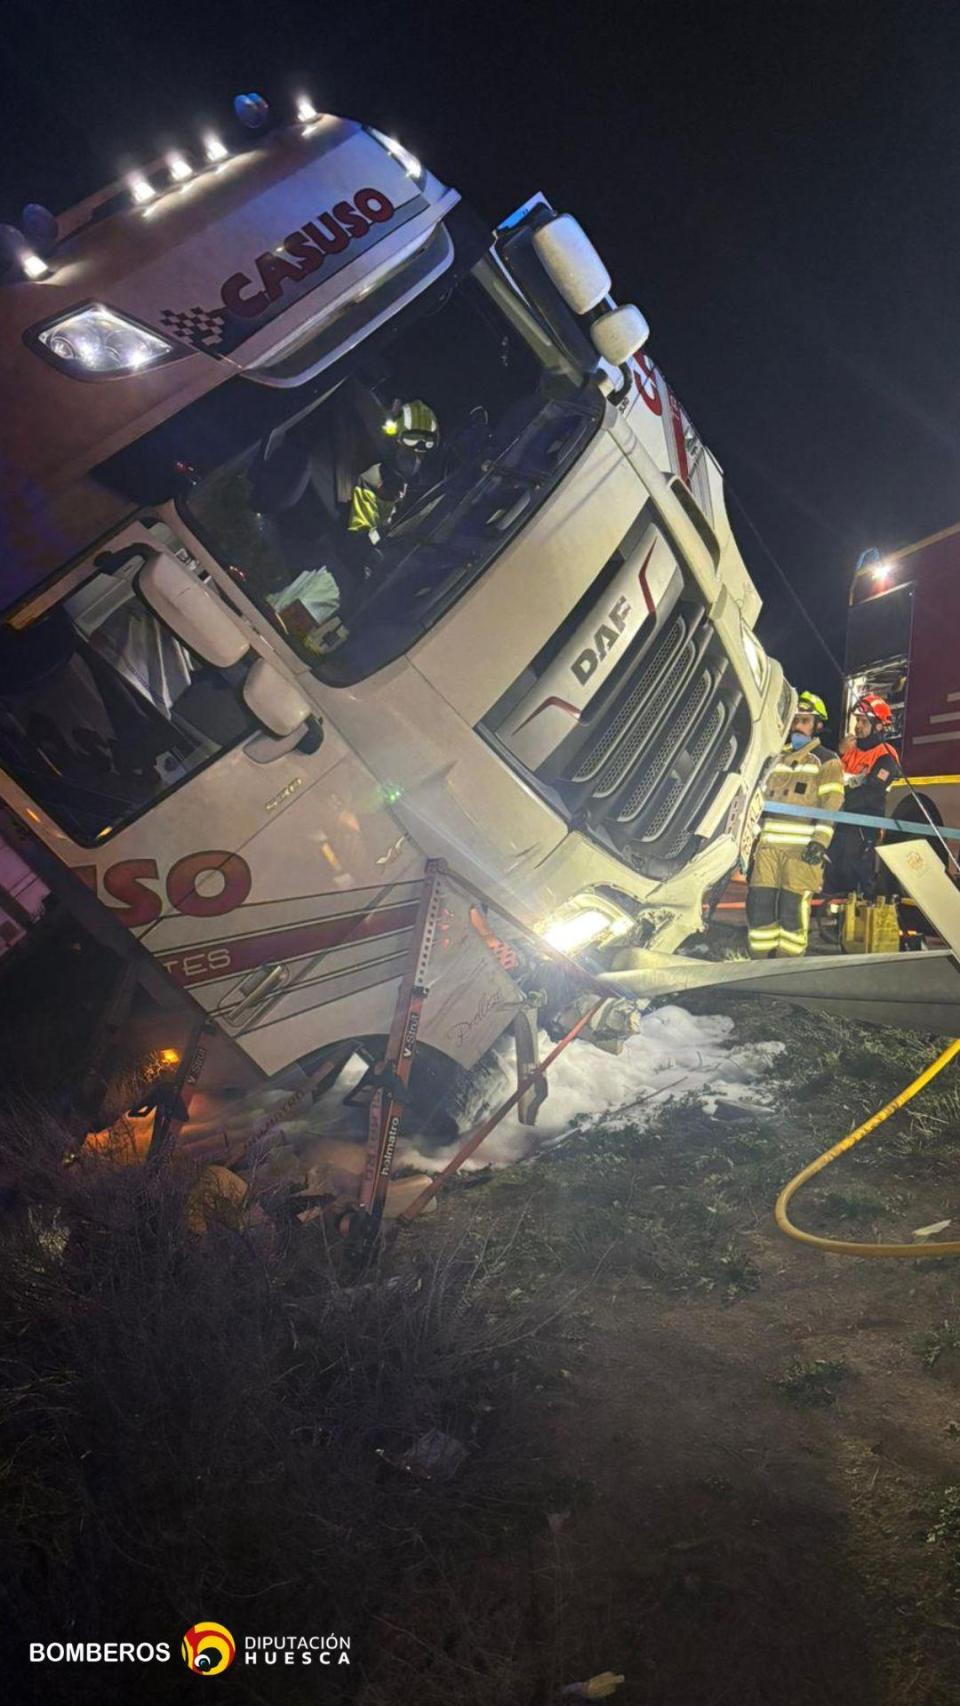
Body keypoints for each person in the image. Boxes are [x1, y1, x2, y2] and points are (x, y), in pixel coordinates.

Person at [746, 691, 845, 958]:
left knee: (792, 911)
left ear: (817, 726)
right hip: (768, 849)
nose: (797, 726)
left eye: (804, 720)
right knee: (759, 906)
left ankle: (788, 965)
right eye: (795, 720)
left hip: (802, 852)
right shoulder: (777, 757)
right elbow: (758, 800)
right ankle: (758, 965)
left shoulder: (827, 761)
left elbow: (832, 805)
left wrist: (819, 843)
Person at [830, 693, 902, 898]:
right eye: (857, 721)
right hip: (838, 824)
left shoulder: (886, 755)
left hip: (863, 828)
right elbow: (828, 777)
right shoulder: (848, 749)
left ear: (878, 726)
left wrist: (837, 804)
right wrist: (839, 752)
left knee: (856, 877)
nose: (858, 727)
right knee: (831, 875)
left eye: (864, 722)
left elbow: (872, 792)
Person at [347, 399, 440, 542]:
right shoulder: (372, 480)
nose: (417, 450)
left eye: (427, 442)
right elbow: (361, 540)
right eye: (411, 439)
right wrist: (389, 526)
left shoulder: (435, 479)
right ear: (396, 439)